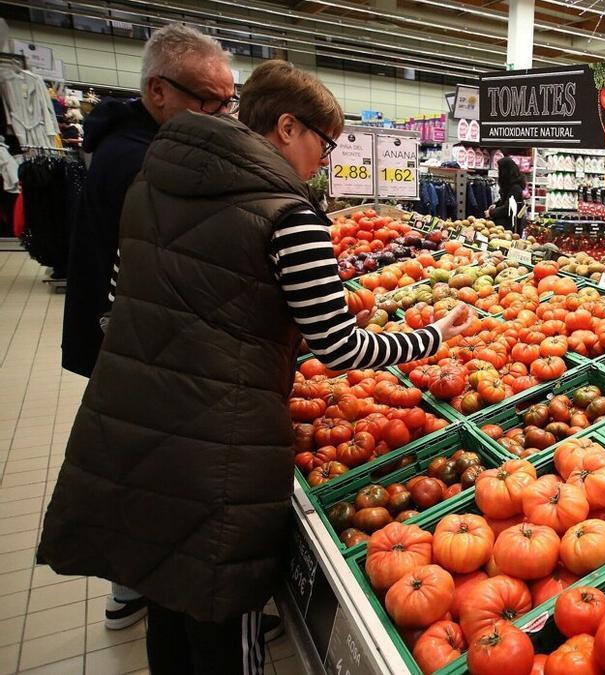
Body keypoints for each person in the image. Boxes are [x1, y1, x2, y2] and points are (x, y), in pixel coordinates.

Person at [38, 60, 473, 674]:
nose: (328, 157)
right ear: (288, 127)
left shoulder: (151, 186)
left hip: (135, 418)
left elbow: (119, 303)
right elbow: (338, 346)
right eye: (327, 142)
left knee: (166, 590)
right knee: (221, 609)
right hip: (220, 441)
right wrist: (430, 335)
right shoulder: (290, 214)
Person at [58, 23, 238, 632]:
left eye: (228, 101)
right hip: (137, 345)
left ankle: (134, 586)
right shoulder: (142, 162)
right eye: (210, 100)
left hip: (129, 341)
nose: (222, 114)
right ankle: (150, 587)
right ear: (158, 90)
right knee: (153, 466)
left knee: (142, 463)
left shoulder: (135, 145)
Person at [488, 156, 528, 234]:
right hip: (505, 226)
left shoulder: (515, 188)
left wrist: (491, 212)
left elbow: (508, 208)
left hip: (509, 228)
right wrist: (496, 205)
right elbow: (505, 200)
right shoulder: (510, 185)